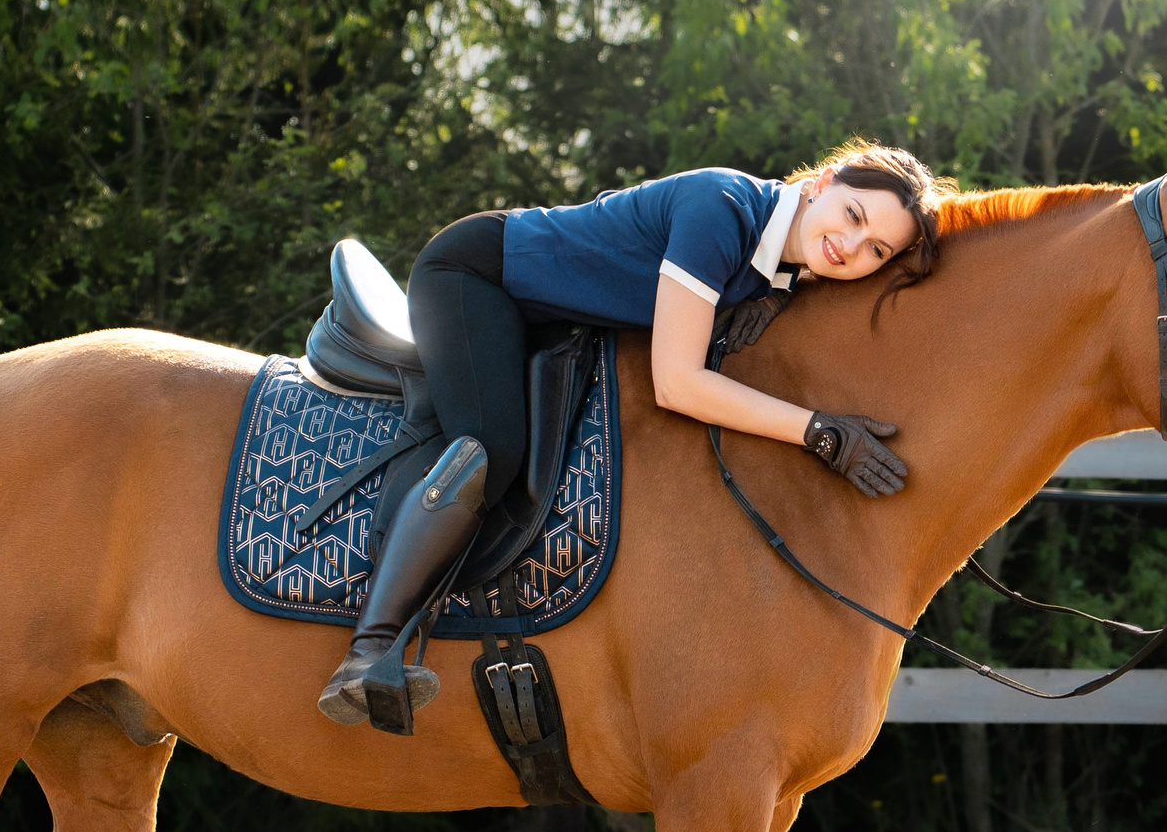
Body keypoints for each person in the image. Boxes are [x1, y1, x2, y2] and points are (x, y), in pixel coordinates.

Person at [318, 142, 945, 725]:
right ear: (825, 182)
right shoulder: (722, 208)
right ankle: (371, 649)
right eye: (854, 215)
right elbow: (676, 384)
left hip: (546, 315)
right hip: (477, 274)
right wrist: (818, 432)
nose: (851, 246)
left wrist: (773, 297)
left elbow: (783, 276)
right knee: (494, 446)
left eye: (876, 251)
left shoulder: (784, 259)